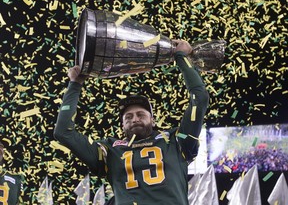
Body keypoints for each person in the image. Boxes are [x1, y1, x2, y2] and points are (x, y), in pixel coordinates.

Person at [54, 39, 209, 204]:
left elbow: (199, 98)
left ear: (153, 120)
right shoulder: (110, 151)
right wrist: (75, 84)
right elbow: (63, 132)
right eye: (128, 117)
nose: (134, 119)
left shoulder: (176, 140)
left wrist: (180, 57)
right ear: (122, 125)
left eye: (141, 114)